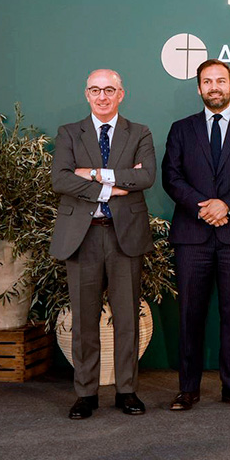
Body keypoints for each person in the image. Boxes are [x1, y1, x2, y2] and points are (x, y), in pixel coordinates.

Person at [162, 59, 230, 411]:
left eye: (220, 81)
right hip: (192, 237)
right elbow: (171, 177)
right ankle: (187, 389)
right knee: (189, 315)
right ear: (199, 88)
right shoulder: (181, 129)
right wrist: (203, 207)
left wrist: (226, 204)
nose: (214, 87)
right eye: (207, 81)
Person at [50, 69, 155, 419]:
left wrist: (92, 173)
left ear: (121, 94)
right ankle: (86, 393)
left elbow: (145, 176)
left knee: (127, 318)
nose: (102, 96)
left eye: (109, 90)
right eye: (95, 90)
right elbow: (61, 179)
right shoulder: (69, 132)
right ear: (87, 94)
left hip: (124, 233)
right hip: (83, 235)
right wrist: (112, 187)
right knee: (84, 319)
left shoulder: (139, 132)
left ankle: (127, 390)